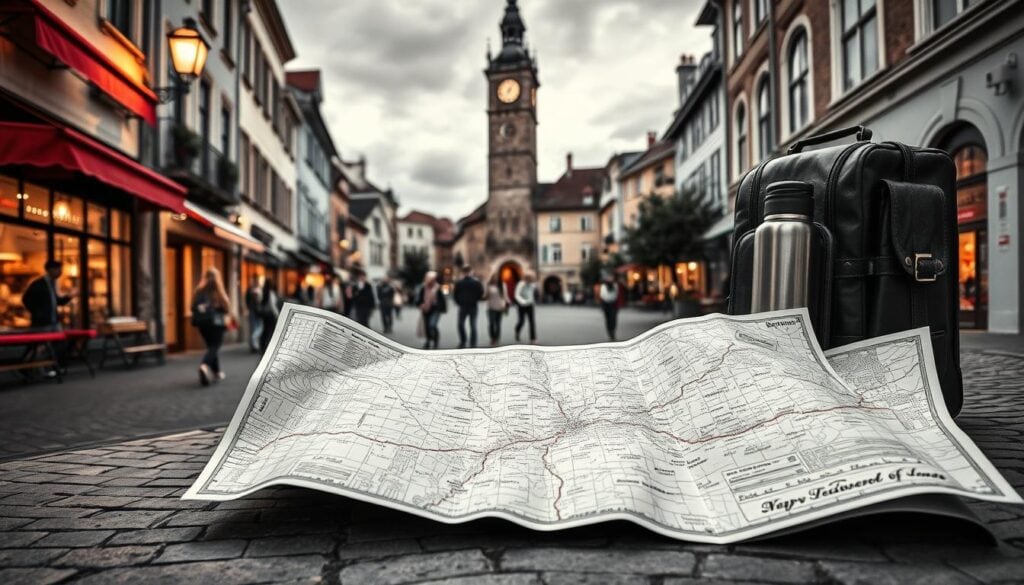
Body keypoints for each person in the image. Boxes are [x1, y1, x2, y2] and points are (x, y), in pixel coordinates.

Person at [191, 268, 232, 386]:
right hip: (216, 324)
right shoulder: (218, 291)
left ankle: (217, 372)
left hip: (203, 324)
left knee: (211, 347)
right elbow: (227, 308)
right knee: (214, 347)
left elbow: (192, 307)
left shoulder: (199, 291)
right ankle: (204, 366)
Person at [22, 260, 74, 330]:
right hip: (43, 324)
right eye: (58, 269)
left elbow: (56, 301)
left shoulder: (53, 283)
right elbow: (26, 299)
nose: (60, 272)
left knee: (58, 338)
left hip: (53, 322)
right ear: (51, 270)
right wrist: (38, 313)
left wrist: (69, 296)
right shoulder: (38, 284)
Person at [453, 265, 484, 349]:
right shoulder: (476, 282)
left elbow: (455, 295)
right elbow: (481, 294)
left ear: (463, 273)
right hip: (473, 306)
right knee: (473, 325)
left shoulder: (459, 283)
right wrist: (475, 300)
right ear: (471, 272)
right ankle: (472, 343)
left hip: (463, 306)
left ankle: (463, 341)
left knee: (460, 324)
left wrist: (459, 302)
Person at [415, 271, 446, 349]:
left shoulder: (437, 288)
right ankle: (428, 341)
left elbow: (442, 300)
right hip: (426, 309)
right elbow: (418, 299)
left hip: (435, 309)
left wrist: (440, 307)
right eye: (429, 279)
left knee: (432, 325)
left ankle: (436, 340)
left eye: (432, 279)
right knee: (427, 327)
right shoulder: (423, 288)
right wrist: (420, 304)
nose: (430, 281)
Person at [514, 271, 538, 344]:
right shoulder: (521, 284)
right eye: (531, 278)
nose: (532, 279)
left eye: (533, 278)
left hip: (530, 305)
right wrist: (523, 301)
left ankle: (533, 338)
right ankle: (517, 330)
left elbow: (532, 293)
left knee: (532, 322)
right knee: (521, 321)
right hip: (521, 305)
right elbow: (517, 295)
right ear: (526, 278)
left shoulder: (533, 285)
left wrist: (532, 301)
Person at [597, 273, 623, 341]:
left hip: (613, 304)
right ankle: (610, 333)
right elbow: (602, 295)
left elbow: (618, 294)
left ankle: (613, 331)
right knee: (608, 319)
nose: (610, 279)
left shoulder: (615, 285)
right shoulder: (603, 286)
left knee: (613, 319)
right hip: (606, 304)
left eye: (611, 277)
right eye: (608, 277)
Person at [257, 278, 280, 354]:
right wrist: (277, 315)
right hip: (270, 315)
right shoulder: (270, 293)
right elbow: (272, 306)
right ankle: (269, 347)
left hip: (265, 315)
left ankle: (263, 346)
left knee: (265, 331)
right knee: (272, 331)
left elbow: (260, 303)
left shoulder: (263, 292)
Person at [485, 273, 508, 346]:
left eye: (497, 278)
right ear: (492, 278)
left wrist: (504, 305)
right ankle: (492, 338)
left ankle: (497, 338)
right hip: (491, 307)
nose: (496, 279)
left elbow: (505, 296)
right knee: (491, 323)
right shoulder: (489, 286)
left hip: (500, 307)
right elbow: (486, 296)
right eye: (494, 277)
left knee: (498, 324)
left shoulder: (502, 286)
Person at [244, 276, 263, 353]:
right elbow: (248, 301)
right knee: (256, 328)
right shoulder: (256, 290)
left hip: (254, 311)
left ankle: (254, 345)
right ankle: (254, 345)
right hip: (255, 311)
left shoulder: (251, 290)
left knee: (254, 328)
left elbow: (247, 301)